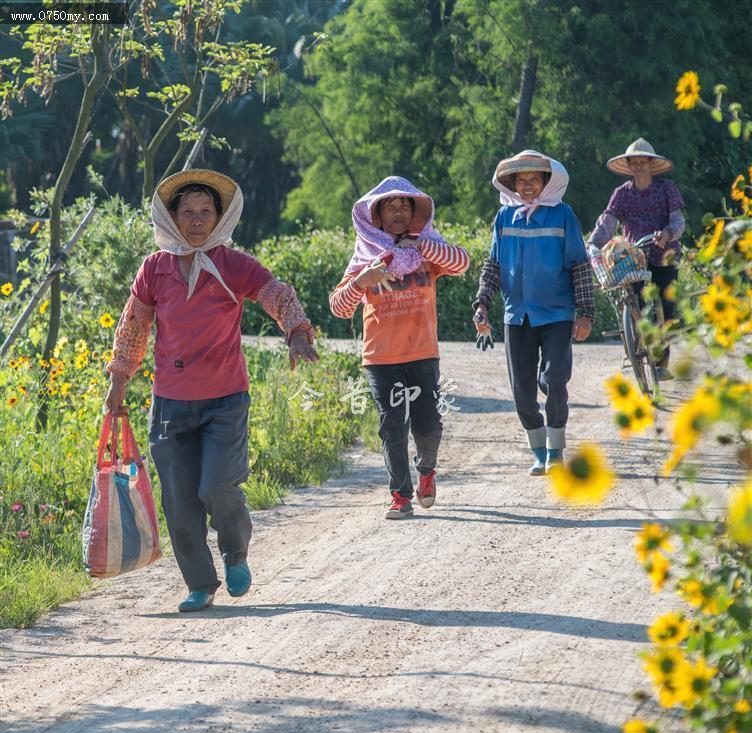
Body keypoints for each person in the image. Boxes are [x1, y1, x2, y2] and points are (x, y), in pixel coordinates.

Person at [104, 169, 319, 612]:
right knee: (180, 503)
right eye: (188, 212)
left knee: (218, 487)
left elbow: (275, 293)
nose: (197, 220)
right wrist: (118, 384)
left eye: (206, 212)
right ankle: (200, 584)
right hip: (170, 405)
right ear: (173, 218)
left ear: (219, 219)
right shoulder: (155, 268)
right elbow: (132, 329)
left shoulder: (231, 263)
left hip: (225, 401)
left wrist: (297, 331)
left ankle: (235, 552)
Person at [329, 176, 470, 519]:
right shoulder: (365, 257)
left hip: (423, 352)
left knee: (429, 426)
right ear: (376, 215)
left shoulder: (428, 250)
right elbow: (339, 306)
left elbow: (462, 262)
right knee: (392, 426)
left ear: (414, 212)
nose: (396, 211)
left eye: (404, 205)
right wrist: (363, 280)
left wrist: (421, 245)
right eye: (389, 206)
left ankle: (426, 472)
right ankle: (400, 496)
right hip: (380, 357)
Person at [472, 150, 595, 476]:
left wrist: (585, 312)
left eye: (534, 180)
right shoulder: (503, 218)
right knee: (522, 391)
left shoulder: (563, 216)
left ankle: (556, 451)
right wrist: (482, 303)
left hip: (557, 314)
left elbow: (580, 267)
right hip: (517, 315)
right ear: (512, 185)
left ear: (546, 182)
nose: (527, 186)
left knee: (554, 380)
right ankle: (539, 453)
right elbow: (493, 266)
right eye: (521, 181)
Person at [588, 138, 685, 380]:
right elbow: (608, 222)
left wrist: (668, 233)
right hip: (634, 256)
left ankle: (662, 362)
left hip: (665, 253)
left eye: (644, 162)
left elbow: (677, 220)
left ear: (651, 164)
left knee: (667, 305)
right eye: (635, 162)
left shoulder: (667, 188)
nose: (640, 166)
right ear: (629, 166)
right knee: (638, 305)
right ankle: (635, 345)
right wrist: (594, 244)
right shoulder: (621, 194)